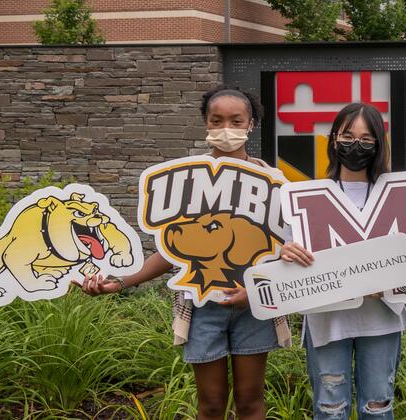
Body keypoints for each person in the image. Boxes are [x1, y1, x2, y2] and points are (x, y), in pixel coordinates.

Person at [80, 85, 286, 420]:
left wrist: (257, 291)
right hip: (202, 304)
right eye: (216, 120)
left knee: (250, 401)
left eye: (236, 121)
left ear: (251, 124)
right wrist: (119, 282)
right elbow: (174, 252)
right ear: (205, 123)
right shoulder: (187, 180)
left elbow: (282, 251)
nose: (226, 129)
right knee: (210, 404)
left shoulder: (273, 181)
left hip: (252, 304)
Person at [276, 103, 405, 419]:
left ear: (378, 144)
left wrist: (396, 276)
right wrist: (285, 254)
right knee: (329, 408)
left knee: (378, 405)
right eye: (348, 136)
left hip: (381, 316)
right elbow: (285, 255)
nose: (356, 145)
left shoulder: (397, 193)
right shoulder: (306, 195)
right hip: (326, 319)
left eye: (366, 138)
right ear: (334, 139)